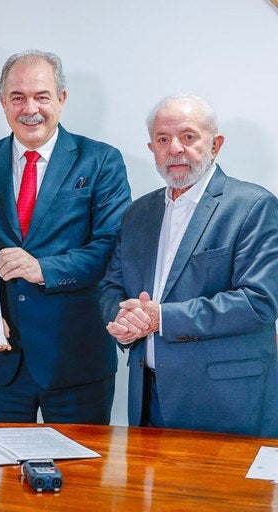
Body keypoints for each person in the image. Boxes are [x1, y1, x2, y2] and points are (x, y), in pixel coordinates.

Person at [0, 50, 131, 424]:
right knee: (0, 474)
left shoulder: (100, 160)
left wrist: (43, 268)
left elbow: (112, 247)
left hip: (75, 360)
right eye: (17, 97)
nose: (29, 108)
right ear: (3, 103)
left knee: (81, 478)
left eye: (41, 96)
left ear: (61, 100)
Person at [99, 94, 278, 437]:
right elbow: (112, 286)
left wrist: (160, 318)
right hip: (147, 398)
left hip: (224, 403)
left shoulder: (254, 206)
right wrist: (122, 318)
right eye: (163, 139)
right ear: (152, 148)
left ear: (216, 144)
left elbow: (259, 301)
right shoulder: (138, 213)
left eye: (188, 136)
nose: (175, 148)